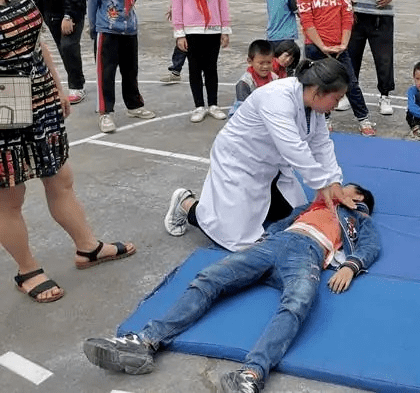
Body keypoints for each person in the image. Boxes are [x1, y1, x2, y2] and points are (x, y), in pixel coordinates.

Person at [84, 183, 380, 393]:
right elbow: (283, 222)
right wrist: (266, 238)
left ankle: (250, 375)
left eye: (345, 188)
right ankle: (145, 342)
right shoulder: (312, 206)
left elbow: (371, 245)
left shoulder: (356, 218)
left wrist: (350, 265)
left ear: (356, 197)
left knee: (298, 302)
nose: (335, 188)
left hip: (309, 253)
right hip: (274, 245)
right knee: (210, 278)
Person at [0, 0, 135, 304]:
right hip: (4, 97)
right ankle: (27, 269)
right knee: (10, 193)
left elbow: (38, 40)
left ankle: (87, 247)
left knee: (60, 176)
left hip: (39, 90)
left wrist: (58, 86)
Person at [163, 57, 356, 251]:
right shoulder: (277, 97)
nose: (337, 104)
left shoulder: (315, 108)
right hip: (240, 161)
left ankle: (261, 204)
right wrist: (323, 184)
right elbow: (293, 148)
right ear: (318, 91)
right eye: (337, 98)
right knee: (234, 237)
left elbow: (322, 145)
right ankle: (186, 203)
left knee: (294, 215)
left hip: (271, 165)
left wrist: (334, 182)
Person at [298, 0, 376, 137]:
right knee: (319, 87)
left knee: (350, 83)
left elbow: (347, 19)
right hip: (315, 49)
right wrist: (322, 46)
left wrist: (343, 44)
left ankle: (363, 118)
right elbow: (308, 23)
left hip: (340, 49)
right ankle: (324, 119)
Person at [88, 0, 155, 134]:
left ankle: (134, 105)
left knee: (130, 70)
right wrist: (94, 29)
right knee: (106, 73)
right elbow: (93, 4)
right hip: (107, 31)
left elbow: (133, 0)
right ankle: (105, 112)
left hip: (129, 30)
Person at [171, 0, 231, 123]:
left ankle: (213, 104)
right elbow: (177, 4)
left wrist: (225, 29)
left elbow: (222, 2)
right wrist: (179, 33)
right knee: (194, 69)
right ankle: (199, 105)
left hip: (212, 29)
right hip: (191, 30)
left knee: (211, 68)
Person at [228, 39, 278, 118]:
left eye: (269, 62)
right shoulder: (244, 83)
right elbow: (244, 110)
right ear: (250, 61)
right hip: (246, 117)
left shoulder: (275, 78)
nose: (265, 66)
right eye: (261, 63)